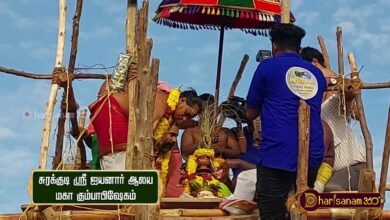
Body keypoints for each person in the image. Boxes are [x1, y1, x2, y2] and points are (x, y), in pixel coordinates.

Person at [245, 23, 327, 219]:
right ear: (299, 47)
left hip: (277, 153)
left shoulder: (266, 67)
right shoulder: (316, 74)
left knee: (272, 214)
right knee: (303, 210)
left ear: (274, 46)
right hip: (312, 153)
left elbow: (250, 112)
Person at [89, 76, 203, 170]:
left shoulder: (170, 114)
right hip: (111, 110)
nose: (184, 118)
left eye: (188, 117)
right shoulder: (162, 99)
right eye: (186, 113)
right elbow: (146, 133)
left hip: (113, 113)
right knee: (121, 169)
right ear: (182, 100)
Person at [301, 47, 366, 191]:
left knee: (329, 191)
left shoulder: (330, 105)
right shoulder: (309, 115)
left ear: (315, 63)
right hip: (331, 174)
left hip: (352, 169)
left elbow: (347, 92)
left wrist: (331, 79)